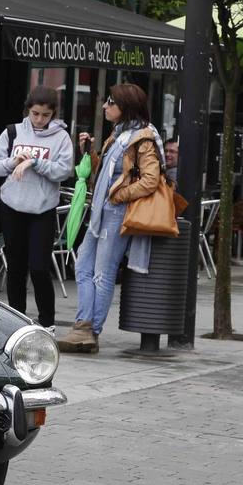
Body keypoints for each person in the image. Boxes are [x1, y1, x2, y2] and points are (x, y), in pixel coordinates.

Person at [57, 83, 163, 354]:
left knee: (103, 273)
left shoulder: (142, 138)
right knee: (82, 267)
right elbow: (105, 174)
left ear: (125, 107)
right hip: (100, 210)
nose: (105, 107)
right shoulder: (119, 134)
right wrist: (91, 153)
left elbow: (151, 180)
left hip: (116, 212)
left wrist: (118, 196)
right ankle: (83, 325)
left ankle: (90, 331)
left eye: (111, 103)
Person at [0, 86, 75, 333]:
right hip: (12, 205)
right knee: (15, 267)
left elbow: (64, 171)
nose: (39, 119)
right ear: (28, 110)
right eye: (35, 114)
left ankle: (47, 323)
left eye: (45, 115)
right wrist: (14, 161)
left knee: (39, 267)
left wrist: (34, 162)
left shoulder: (61, 137)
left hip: (42, 209)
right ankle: (17, 321)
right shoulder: (13, 132)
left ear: (53, 114)